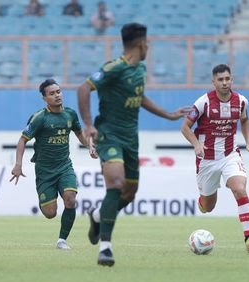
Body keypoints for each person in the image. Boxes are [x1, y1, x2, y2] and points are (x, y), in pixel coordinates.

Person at [77, 22, 187, 267]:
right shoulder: (114, 68)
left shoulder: (139, 70)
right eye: (147, 43)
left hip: (131, 139)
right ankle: (105, 248)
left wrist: (168, 114)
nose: (148, 46)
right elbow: (84, 88)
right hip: (109, 135)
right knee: (115, 183)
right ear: (140, 44)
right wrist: (88, 125)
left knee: (129, 193)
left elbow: (139, 97)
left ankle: (97, 216)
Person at [180, 63, 249, 254]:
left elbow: (245, 120)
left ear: (232, 79)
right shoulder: (203, 103)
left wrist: (248, 143)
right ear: (213, 82)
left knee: (239, 189)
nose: (225, 83)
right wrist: (196, 144)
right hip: (207, 159)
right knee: (208, 207)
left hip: (230, 154)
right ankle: (202, 200)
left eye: (227, 79)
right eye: (220, 80)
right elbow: (185, 127)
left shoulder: (241, 101)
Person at [10, 79, 98, 250]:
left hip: (64, 166)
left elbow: (80, 133)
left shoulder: (70, 114)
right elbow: (22, 140)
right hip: (44, 170)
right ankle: (46, 198)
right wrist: (18, 165)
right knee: (50, 213)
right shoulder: (40, 118)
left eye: (58, 91)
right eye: (52, 93)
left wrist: (90, 146)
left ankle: (62, 240)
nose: (57, 95)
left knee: (70, 200)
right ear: (44, 98)